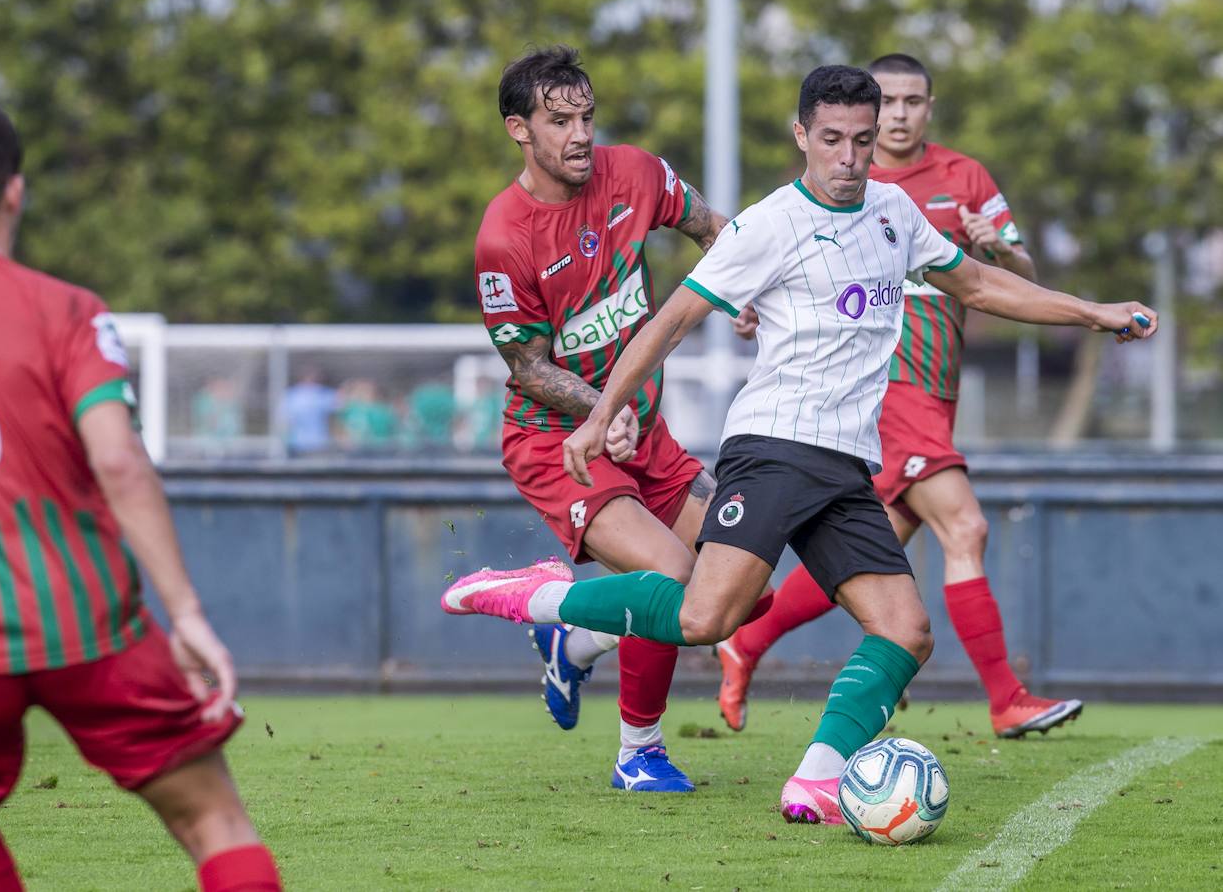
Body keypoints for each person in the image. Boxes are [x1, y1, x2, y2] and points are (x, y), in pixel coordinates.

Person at [443, 65, 1154, 825]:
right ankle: (542, 606)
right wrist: (598, 413)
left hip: (844, 462)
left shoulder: (894, 210)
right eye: (831, 141)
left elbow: (977, 285)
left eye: (862, 140)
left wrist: (1092, 312)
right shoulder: (773, 223)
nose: (849, 158)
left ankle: (815, 778)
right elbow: (669, 323)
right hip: (776, 446)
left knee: (904, 631)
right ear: (802, 138)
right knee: (701, 611)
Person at [0, 96, 281, 891]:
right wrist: (184, 613)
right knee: (212, 818)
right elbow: (119, 462)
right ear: (15, 191)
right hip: (88, 622)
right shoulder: (67, 311)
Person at [715, 54, 1081, 740]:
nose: (904, 114)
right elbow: (780, 265)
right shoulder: (845, 182)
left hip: (937, 391)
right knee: (965, 528)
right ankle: (1005, 698)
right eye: (894, 100)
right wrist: (755, 308)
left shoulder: (961, 178)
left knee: (871, 551)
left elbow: (1014, 276)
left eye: (915, 100)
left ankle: (746, 641)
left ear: (927, 108)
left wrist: (999, 248)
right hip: (886, 393)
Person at [465, 45, 735, 792]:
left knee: (738, 584)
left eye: (586, 116)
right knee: (672, 579)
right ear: (519, 129)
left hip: (644, 434)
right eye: (559, 121)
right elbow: (526, 366)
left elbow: (719, 231)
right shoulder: (504, 235)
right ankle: (638, 753)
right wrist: (602, 409)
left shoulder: (638, 174)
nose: (580, 134)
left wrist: (746, 301)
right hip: (557, 443)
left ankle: (571, 638)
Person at [282, 367, 337, 454]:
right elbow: (284, 419)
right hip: (296, 443)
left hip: (319, 442)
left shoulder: (323, 393)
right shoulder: (292, 395)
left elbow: (339, 407)